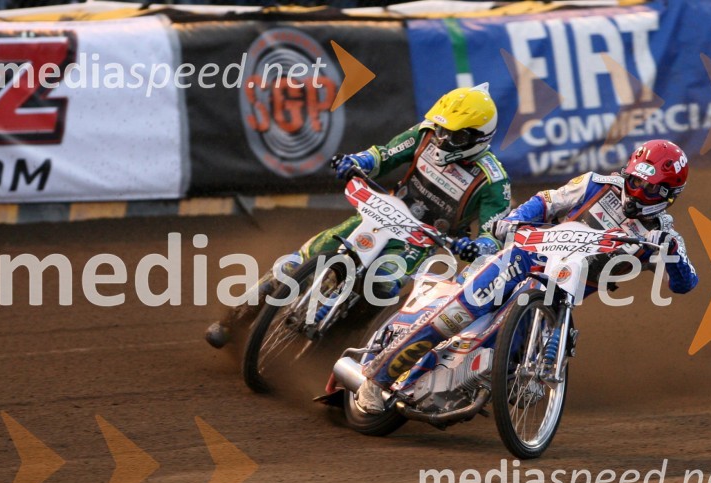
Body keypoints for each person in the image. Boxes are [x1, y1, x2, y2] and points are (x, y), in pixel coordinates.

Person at [356, 139, 699, 413]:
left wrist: (672, 253)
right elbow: (547, 201)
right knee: (457, 312)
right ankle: (377, 379)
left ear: (668, 196)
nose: (637, 192)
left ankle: (495, 377)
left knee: (526, 367)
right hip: (524, 257)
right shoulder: (595, 184)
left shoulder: (661, 235)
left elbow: (685, 283)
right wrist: (512, 220)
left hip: (558, 296)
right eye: (635, 181)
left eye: (649, 189)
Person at [205, 82, 512, 348]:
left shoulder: (494, 181)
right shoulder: (425, 134)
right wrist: (356, 161)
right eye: (442, 130)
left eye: (454, 137)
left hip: (420, 240)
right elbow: (383, 155)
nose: (442, 140)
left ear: (478, 138)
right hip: (382, 211)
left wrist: (476, 247)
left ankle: (334, 342)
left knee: (383, 285)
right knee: (299, 261)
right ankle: (233, 320)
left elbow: (494, 236)